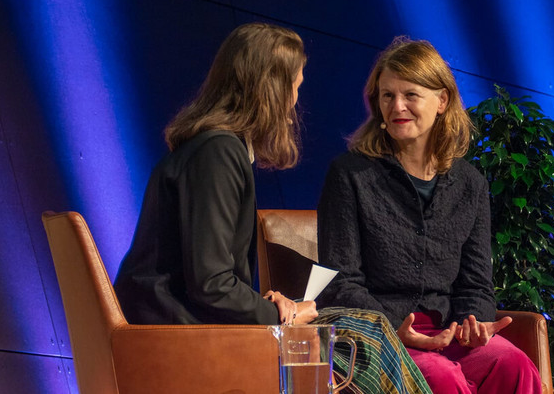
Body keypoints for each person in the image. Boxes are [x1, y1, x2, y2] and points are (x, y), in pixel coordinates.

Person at [114, 23, 429, 394]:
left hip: (187, 322)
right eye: (295, 87)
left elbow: (207, 276)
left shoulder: (214, 149)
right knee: (364, 337)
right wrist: (286, 314)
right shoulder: (218, 153)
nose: (296, 102)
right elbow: (211, 284)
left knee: (362, 334)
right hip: (178, 334)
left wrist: (271, 305)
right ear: (272, 90)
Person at [317, 37, 542, 393]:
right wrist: (394, 327)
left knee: (513, 364)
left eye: (410, 95)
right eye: (387, 95)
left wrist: (473, 322)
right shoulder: (350, 174)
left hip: (447, 331)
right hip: (379, 333)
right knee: (440, 376)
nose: (397, 106)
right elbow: (340, 281)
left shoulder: (469, 182)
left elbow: (476, 283)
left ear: (442, 101)